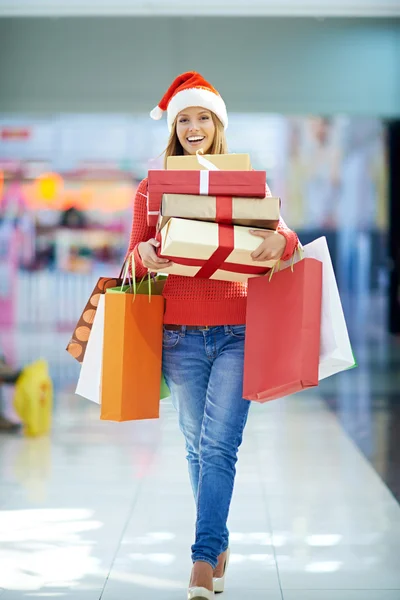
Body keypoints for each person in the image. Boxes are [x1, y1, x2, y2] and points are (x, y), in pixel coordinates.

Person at [126, 72, 299, 600]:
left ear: (218, 125)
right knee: (196, 447)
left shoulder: (246, 183)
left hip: (237, 331)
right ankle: (218, 542)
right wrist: (146, 255)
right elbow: (132, 259)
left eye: (203, 117)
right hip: (179, 334)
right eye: (184, 119)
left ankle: (202, 561)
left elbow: (284, 235)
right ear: (174, 128)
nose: (194, 127)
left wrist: (282, 242)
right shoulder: (152, 188)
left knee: (219, 445)